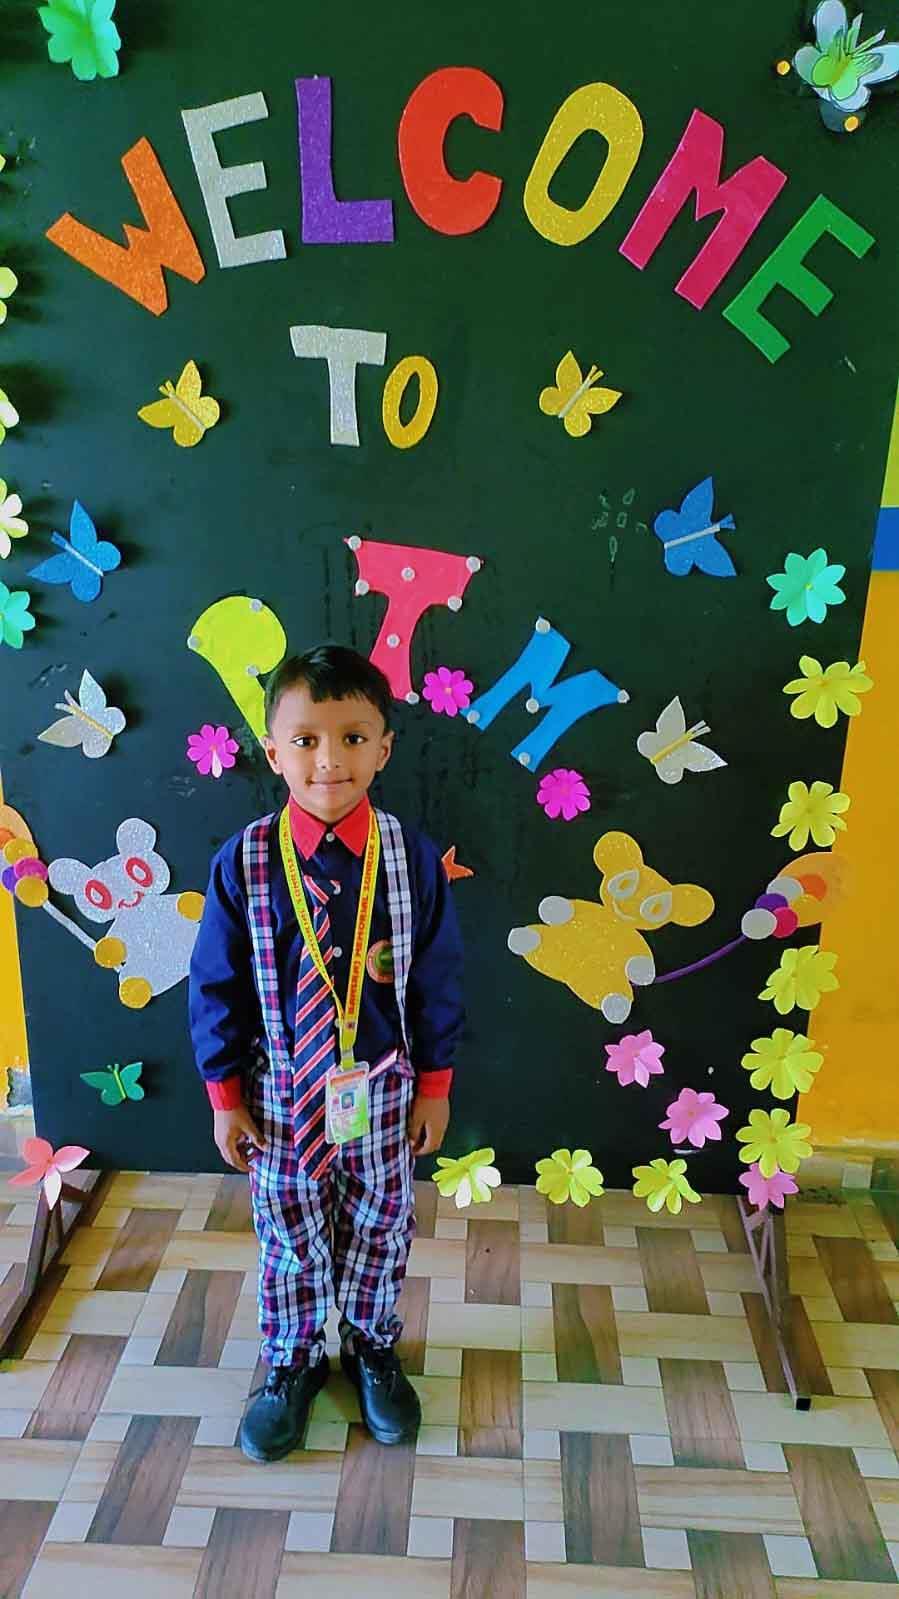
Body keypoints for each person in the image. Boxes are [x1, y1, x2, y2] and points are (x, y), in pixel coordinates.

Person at [189, 644, 465, 1462]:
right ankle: (293, 1361)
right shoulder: (244, 860)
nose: (328, 759)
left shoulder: (410, 858)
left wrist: (436, 1084)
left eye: (352, 737)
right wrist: (224, 1097)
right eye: (305, 739)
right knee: (288, 1234)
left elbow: (438, 977)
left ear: (384, 747)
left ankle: (371, 1347)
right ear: (272, 751)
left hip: (382, 1088)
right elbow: (215, 986)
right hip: (278, 1092)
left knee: (381, 1226)